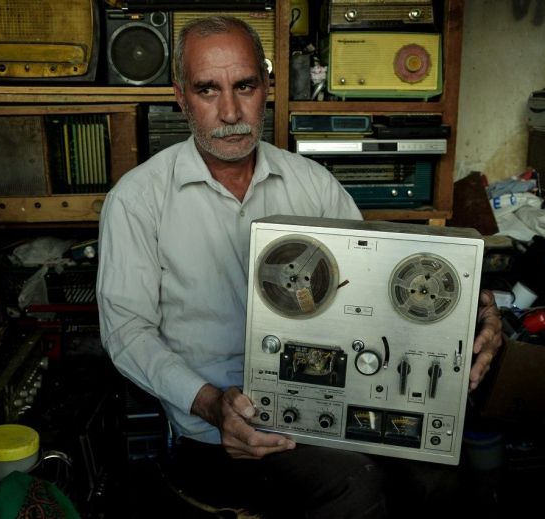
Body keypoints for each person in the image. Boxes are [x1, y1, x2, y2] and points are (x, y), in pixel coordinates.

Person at [97, 15, 503, 518]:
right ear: (181, 97)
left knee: (440, 472)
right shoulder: (137, 200)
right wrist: (209, 403)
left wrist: (470, 317)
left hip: (333, 406)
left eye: (245, 86)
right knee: (353, 489)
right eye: (207, 90)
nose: (230, 111)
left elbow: (376, 290)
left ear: (266, 89)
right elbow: (127, 333)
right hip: (216, 434)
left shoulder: (313, 184)